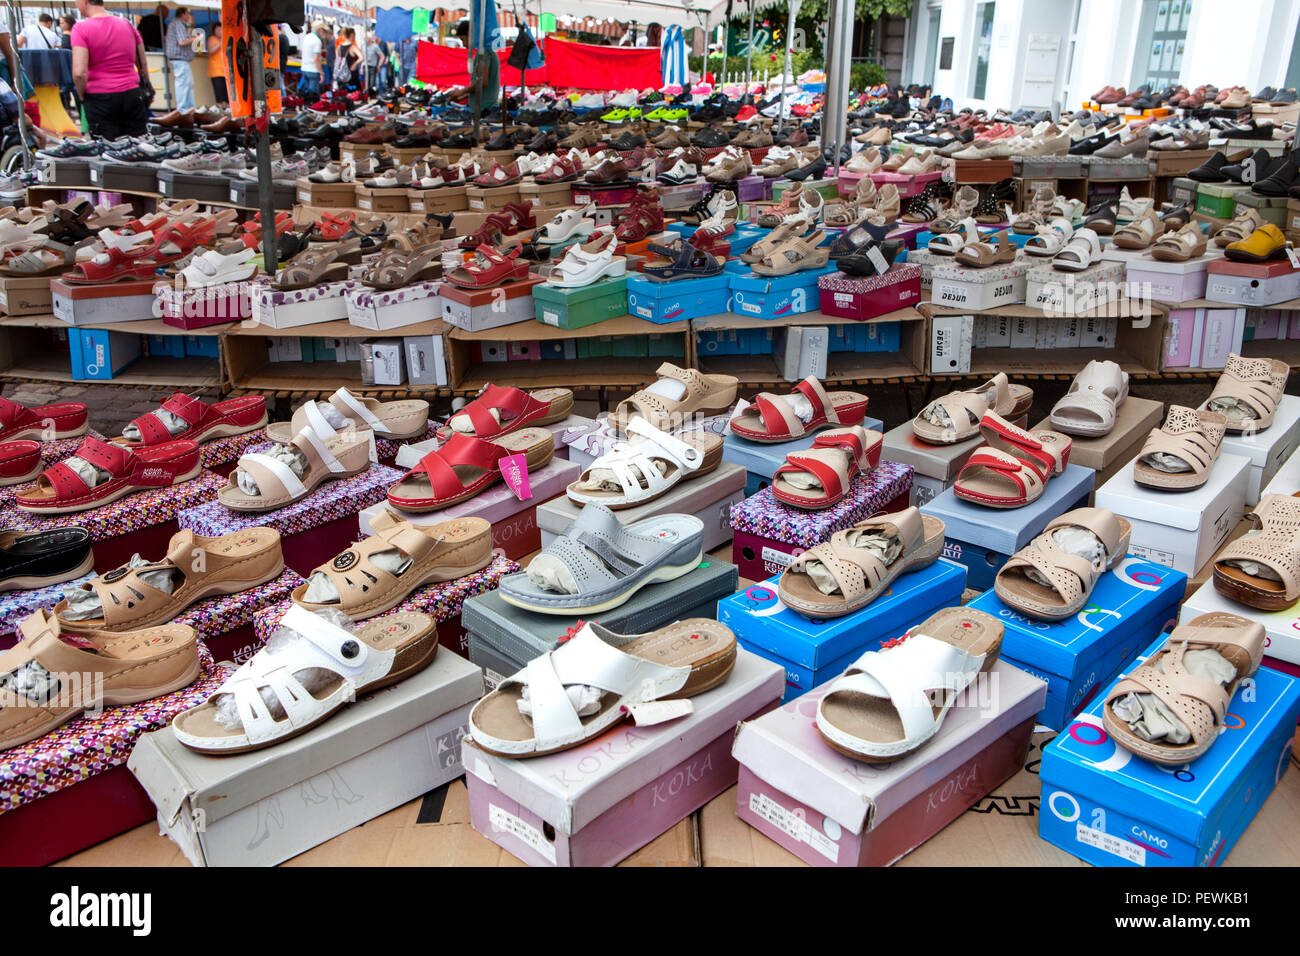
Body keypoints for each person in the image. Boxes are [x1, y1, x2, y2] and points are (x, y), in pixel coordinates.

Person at [71, 0, 150, 139]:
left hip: (99, 98)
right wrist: (146, 87)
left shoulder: (81, 28)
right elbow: (143, 64)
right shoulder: (128, 25)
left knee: (107, 153)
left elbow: (79, 73)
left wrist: (81, 95)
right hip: (132, 94)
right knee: (138, 148)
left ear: (84, 2)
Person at [457, 19, 497, 117]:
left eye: (463, 39)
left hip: (484, 109)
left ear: (469, 34)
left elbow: (482, 82)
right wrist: (462, 96)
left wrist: (462, 91)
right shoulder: (483, 52)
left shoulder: (484, 53)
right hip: (481, 106)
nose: (463, 44)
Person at [164, 5, 196, 110]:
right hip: (180, 58)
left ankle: (189, 108)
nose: (189, 16)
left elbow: (191, 25)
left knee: (187, 84)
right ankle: (183, 109)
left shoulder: (178, 23)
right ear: (183, 14)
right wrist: (196, 38)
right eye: (188, 14)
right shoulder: (178, 24)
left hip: (180, 59)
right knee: (183, 85)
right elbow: (182, 42)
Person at [298, 21, 322, 98]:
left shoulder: (306, 37)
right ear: (319, 30)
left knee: (307, 92)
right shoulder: (317, 41)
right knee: (313, 94)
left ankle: (306, 105)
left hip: (304, 68)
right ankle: (312, 106)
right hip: (313, 69)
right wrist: (321, 72)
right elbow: (316, 58)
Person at [206, 22, 226, 106]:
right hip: (216, 70)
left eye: (221, 29)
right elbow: (211, 50)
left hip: (225, 70)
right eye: (218, 29)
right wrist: (220, 44)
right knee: (219, 91)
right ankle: (220, 107)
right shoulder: (211, 39)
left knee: (226, 92)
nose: (220, 31)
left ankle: (227, 107)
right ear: (214, 31)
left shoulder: (226, 39)